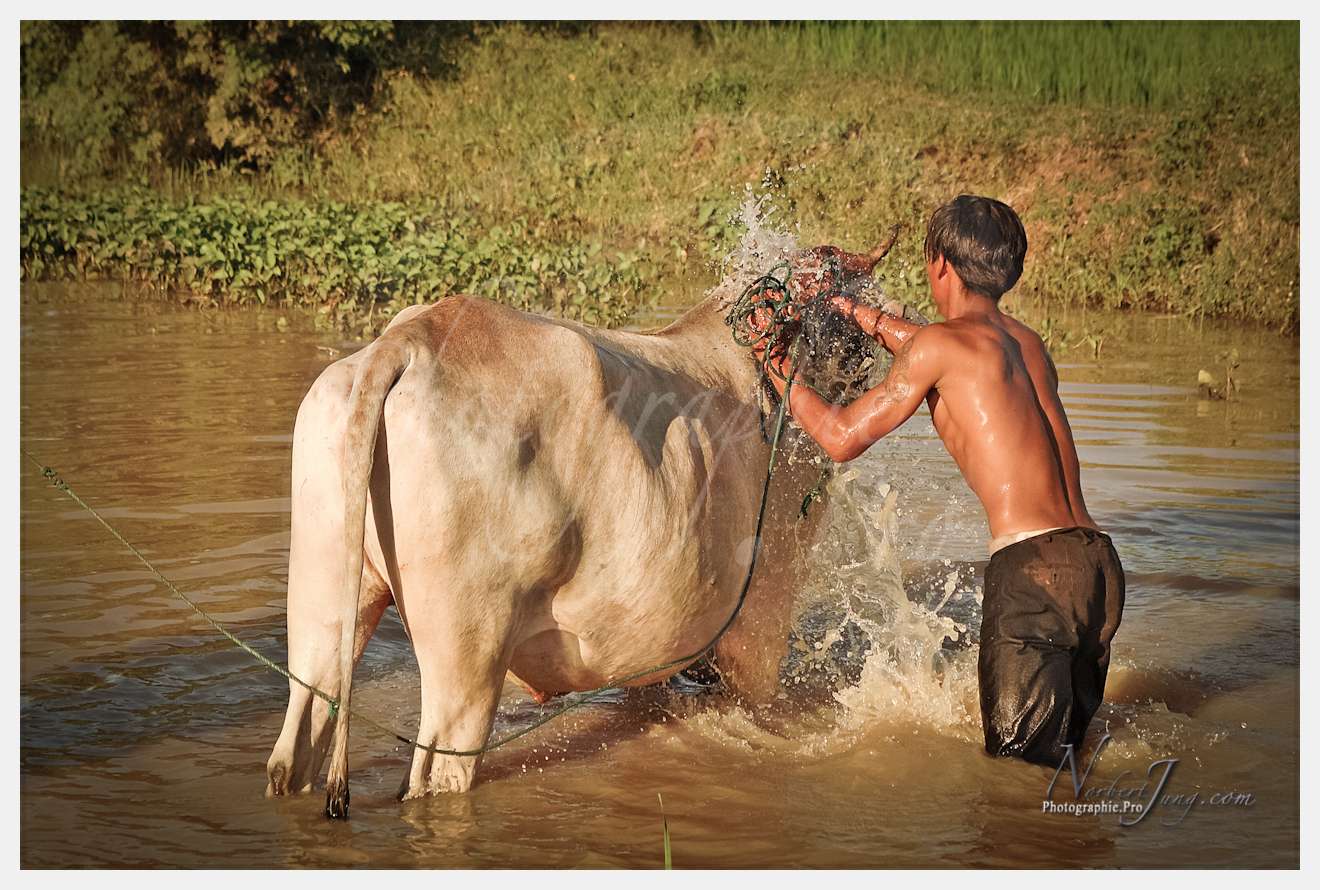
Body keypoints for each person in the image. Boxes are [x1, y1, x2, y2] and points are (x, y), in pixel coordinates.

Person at [752, 194, 1124, 765]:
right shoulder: (1027, 344)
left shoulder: (939, 347)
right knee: (1068, 763)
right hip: (1098, 568)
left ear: (940, 265)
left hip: (1034, 575)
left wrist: (777, 365)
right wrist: (857, 313)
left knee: (1016, 782)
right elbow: (941, 351)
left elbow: (841, 436)